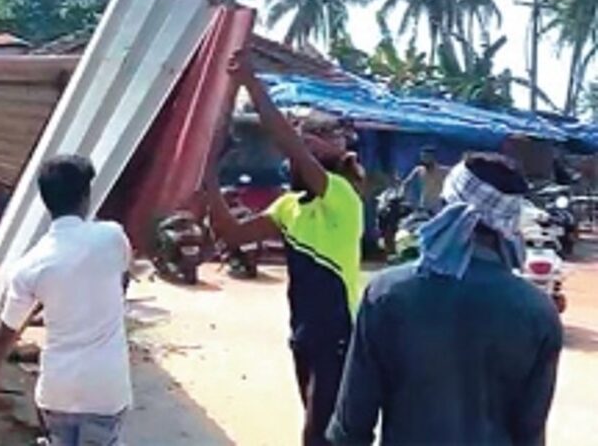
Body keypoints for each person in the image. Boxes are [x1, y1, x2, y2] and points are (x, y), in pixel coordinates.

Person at [327, 153, 563, 446]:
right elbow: (530, 432)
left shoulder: (387, 294)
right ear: (509, 224)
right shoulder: (538, 312)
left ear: (446, 207)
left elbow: (351, 426)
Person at [204, 53, 364, 446]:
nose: (290, 161)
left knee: (318, 434)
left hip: (338, 332)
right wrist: (208, 179)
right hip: (303, 332)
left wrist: (251, 84)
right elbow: (233, 235)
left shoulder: (341, 196)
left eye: (303, 148)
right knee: (320, 431)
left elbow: (289, 145)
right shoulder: (288, 206)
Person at [0, 155, 132, 446]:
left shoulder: (28, 266)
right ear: (86, 196)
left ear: (45, 200)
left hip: (57, 391)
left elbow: (6, 333)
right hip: (106, 390)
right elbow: (122, 279)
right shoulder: (112, 237)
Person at [400, 146, 449, 213]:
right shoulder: (418, 170)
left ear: (432, 158)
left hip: (438, 207)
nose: (424, 159)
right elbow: (406, 183)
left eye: (426, 157)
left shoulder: (443, 171)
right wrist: (403, 195)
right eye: (422, 157)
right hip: (423, 206)